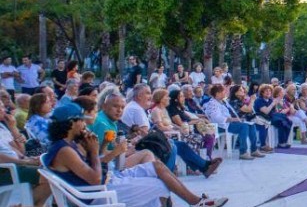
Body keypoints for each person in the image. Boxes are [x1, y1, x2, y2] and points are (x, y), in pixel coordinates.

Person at [44, 102, 228, 207]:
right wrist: (92, 150)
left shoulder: (69, 144)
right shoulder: (64, 150)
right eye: (80, 122)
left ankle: (196, 202)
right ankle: (196, 203)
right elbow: (93, 178)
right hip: (97, 193)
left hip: (107, 180)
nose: (84, 125)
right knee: (159, 185)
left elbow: (95, 163)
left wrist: (99, 147)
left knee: (156, 166)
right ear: (70, 124)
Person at [0, 101, 51, 206]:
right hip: (5, 170)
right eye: (0, 108)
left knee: (52, 175)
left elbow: (20, 150)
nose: (3, 110)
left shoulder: (2, 127)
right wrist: (23, 162)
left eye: (3, 107)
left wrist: (13, 128)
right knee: (50, 178)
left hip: (16, 165)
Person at [204, 84, 264, 160]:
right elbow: (216, 118)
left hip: (228, 123)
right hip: (220, 126)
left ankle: (254, 149)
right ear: (217, 93)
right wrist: (232, 119)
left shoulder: (223, 101)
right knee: (244, 126)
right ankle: (243, 152)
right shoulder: (212, 103)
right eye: (223, 91)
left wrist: (238, 119)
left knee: (251, 125)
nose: (225, 93)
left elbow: (232, 112)